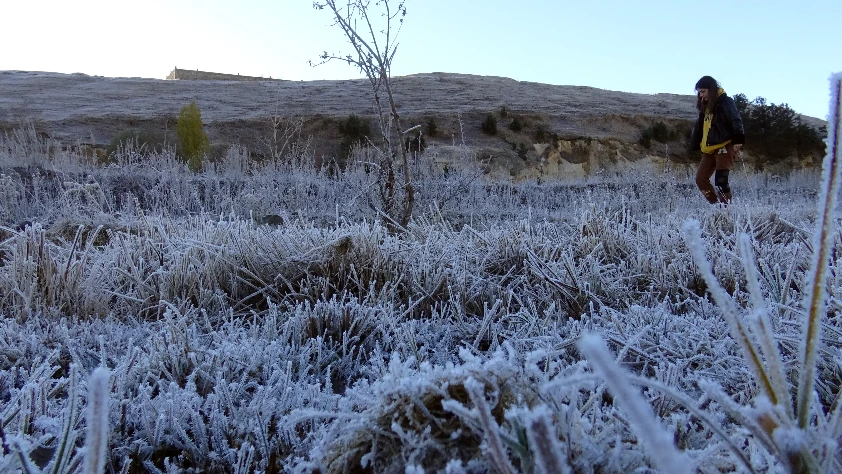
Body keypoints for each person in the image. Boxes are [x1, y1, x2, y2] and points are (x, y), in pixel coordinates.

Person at [690, 76, 745, 205]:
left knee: (721, 180)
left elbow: (736, 119)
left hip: (725, 145)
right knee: (700, 179)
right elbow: (701, 127)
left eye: (703, 91)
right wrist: (695, 143)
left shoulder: (726, 101)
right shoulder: (706, 106)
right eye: (699, 92)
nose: (701, 95)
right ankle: (715, 205)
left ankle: (727, 210)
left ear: (711, 89)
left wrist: (738, 139)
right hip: (709, 148)